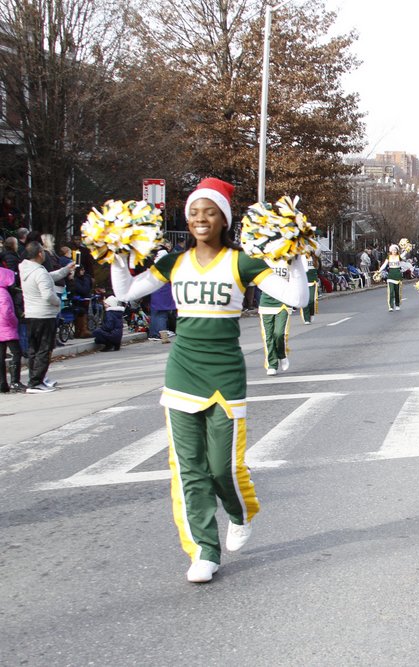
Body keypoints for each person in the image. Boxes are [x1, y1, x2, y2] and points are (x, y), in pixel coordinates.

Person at [109, 177, 309, 583]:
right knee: (188, 469)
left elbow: (298, 299)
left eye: (210, 212)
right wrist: (117, 250)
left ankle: (238, 514)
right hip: (182, 371)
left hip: (225, 374)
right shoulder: (173, 263)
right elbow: (127, 291)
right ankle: (203, 550)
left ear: (224, 220)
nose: (201, 218)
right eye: (195, 212)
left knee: (223, 467)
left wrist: (295, 254)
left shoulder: (242, 263)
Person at [19, 241, 73, 393]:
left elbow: (49, 277)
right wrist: (57, 303)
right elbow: (48, 294)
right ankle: (36, 382)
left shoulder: (27, 269)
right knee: (44, 349)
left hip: (31, 313)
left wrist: (65, 270)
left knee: (34, 349)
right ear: (40, 254)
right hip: (44, 314)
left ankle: (37, 378)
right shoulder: (39, 272)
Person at [258, 259, 293, 376]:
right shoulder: (263, 259)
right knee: (268, 336)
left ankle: (282, 355)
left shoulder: (289, 258)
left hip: (283, 301)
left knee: (279, 333)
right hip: (266, 302)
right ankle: (272, 364)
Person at [0, 264, 22, 392]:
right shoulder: (3, 293)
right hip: (6, 327)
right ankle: (15, 381)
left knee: (1, 355)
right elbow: (7, 312)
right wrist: (15, 321)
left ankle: (2, 383)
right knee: (16, 353)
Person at [376, 244, 406, 312]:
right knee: (391, 291)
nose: (394, 251)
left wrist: (406, 249)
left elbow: (403, 254)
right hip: (391, 275)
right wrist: (379, 271)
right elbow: (384, 265)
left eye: (395, 250)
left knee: (397, 291)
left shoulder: (399, 257)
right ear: (390, 251)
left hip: (397, 275)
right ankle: (391, 306)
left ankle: (397, 305)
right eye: (393, 250)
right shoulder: (388, 257)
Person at [301, 253, 319, 324]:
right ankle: (306, 319)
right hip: (303, 282)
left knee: (312, 300)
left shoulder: (315, 258)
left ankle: (311, 314)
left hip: (312, 282)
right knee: (305, 301)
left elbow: (318, 269)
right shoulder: (301, 258)